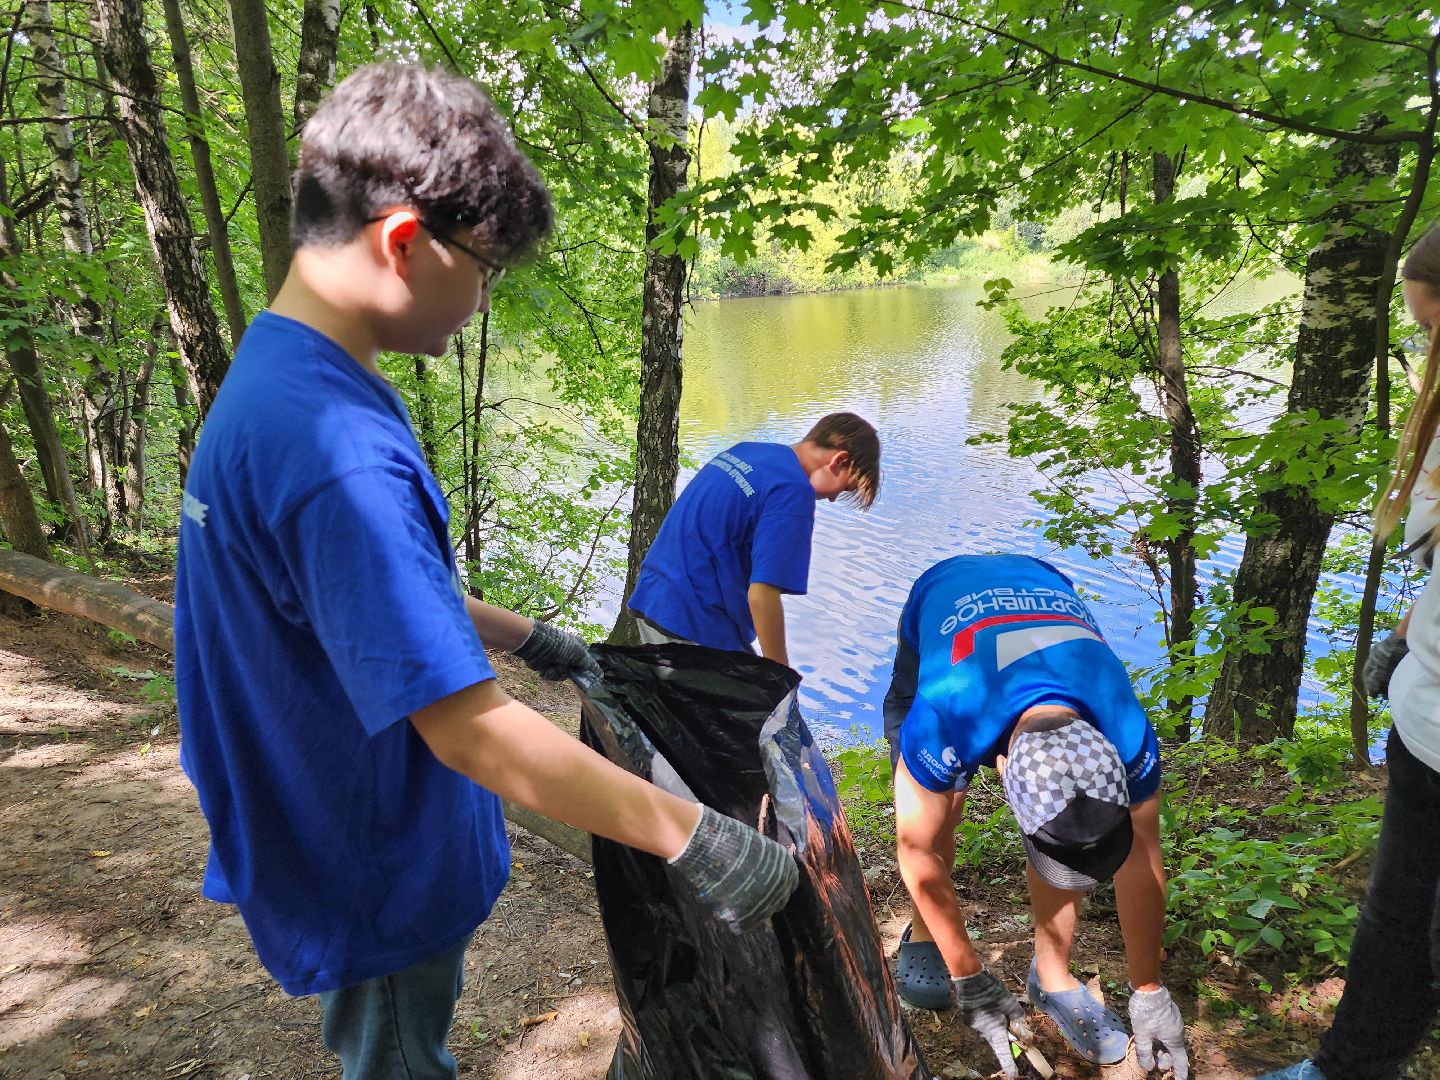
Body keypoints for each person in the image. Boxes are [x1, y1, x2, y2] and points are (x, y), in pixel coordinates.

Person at [173, 63, 797, 1080]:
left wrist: (529, 636)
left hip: (330, 818)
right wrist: (695, 836)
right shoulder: (335, 451)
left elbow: (368, 594)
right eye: (483, 266)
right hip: (367, 857)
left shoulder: (288, 376)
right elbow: (469, 729)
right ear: (403, 242)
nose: (480, 298)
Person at [882, 553, 1187, 1079]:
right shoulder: (942, 713)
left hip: (1041, 581)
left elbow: (1142, 852)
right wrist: (969, 977)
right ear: (1002, 771)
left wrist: (1149, 988)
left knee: (1064, 830)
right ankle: (926, 933)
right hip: (944, 593)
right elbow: (916, 847)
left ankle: (1052, 977)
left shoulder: (1126, 728)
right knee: (940, 814)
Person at [1257, 227, 1440, 1080]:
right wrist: (1403, 636)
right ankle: (1347, 1069)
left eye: (1433, 326)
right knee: (1394, 919)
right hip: (1424, 729)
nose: (1427, 350)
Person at [627, 413, 881, 666]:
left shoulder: (747, 451)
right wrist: (779, 673)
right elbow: (762, 594)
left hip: (652, 598)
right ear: (839, 460)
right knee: (768, 690)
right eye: (845, 487)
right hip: (695, 624)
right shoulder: (793, 489)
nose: (833, 498)